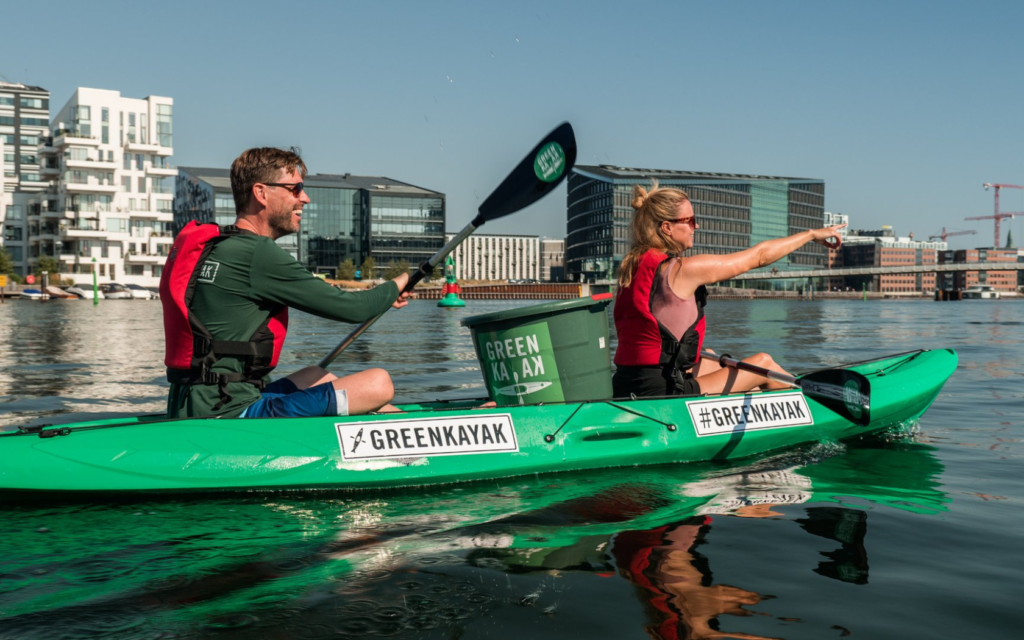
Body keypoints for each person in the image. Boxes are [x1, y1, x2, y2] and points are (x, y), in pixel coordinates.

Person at [161, 147, 412, 419]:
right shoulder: (256, 253)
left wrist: (383, 296)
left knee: (315, 375)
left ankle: (408, 426)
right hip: (228, 413)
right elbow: (353, 309)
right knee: (378, 384)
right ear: (261, 193)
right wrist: (400, 281)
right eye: (295, 189)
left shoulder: (221, 246)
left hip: (197, 401)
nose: (305, 198)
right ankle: (419, 438)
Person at [612, 180, 844, 398]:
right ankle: (816, 405)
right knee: (762, 364)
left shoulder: (631, 268)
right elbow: (759, 257)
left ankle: (762, 401)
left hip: (626, 383)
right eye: (690, 221)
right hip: (662, 392)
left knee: (710, 357)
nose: (697, 226)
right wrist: (811, 234)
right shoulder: (683, 269)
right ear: (667, 227)